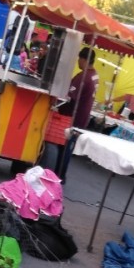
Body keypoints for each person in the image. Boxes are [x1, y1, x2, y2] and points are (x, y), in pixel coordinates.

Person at [55, 46, 99, 180]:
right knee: (69, 146)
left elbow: (69, 98)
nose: (78, 62)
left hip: (74, 117)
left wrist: (57, 106)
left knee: (65, 146)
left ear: (84, 59)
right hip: (83, 117)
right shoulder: (95, 74)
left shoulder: (83, 77)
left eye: (79, 59)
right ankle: (61, 174)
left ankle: (59, 175)